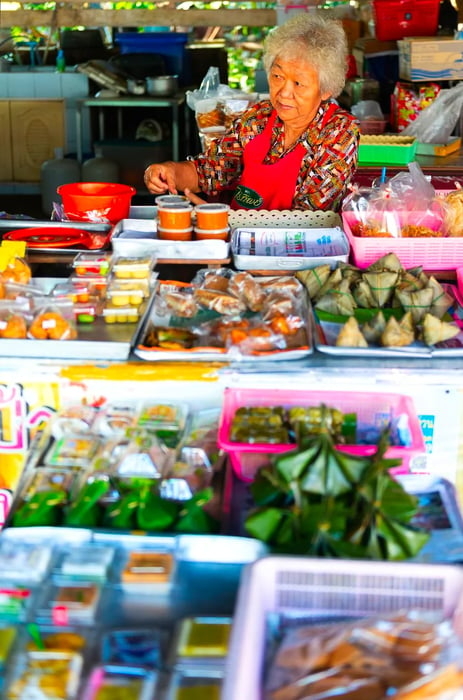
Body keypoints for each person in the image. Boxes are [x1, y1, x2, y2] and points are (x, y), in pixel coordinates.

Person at [144, 13, 359, 212]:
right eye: (277, 76)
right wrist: (170, 172)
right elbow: (209, 170)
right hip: (238, 240)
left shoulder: (339, 132)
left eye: (298, 83)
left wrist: (231, 219)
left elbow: (308, 216)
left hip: (298, 246)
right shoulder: (259, 117)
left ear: (326, 89)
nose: (284, 93)